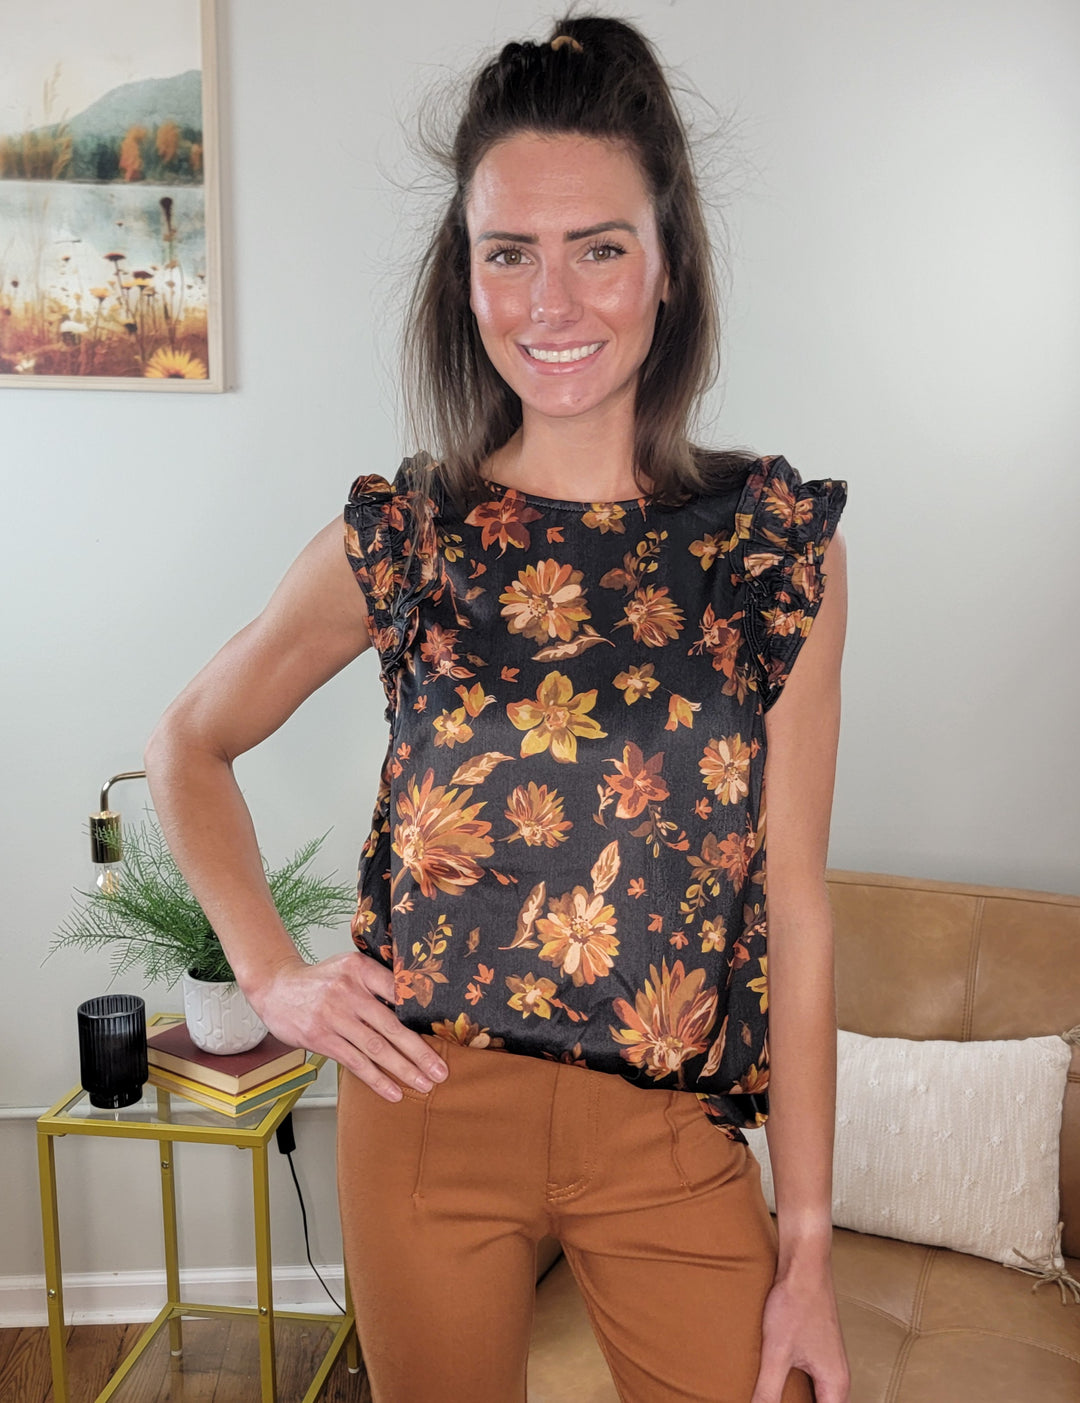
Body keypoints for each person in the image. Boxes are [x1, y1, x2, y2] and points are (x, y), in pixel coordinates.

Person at [144, 15, 850, 1403]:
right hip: (423, 1116)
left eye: (599, 247)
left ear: (667, 265)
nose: (553, 303)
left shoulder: (769, 548)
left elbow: (801, 912)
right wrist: (276, 977)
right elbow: (189, 742)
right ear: (464, 278)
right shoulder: (408, 535)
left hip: (667, 1140)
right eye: (508, 253)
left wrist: (810, 1246)